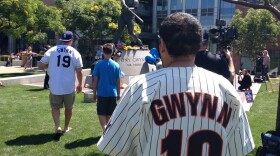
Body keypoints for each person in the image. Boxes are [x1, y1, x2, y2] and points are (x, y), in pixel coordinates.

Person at [97, 12, 254, 156]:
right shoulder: (226, 89)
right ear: (199, 45)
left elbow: (113, 147)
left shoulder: (141, 86)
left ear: (162, 45)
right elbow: (239, 150)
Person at [38, 31, 83, 137]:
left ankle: (57, 126)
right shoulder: (75, 52)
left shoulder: (52, 50)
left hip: (55, 85)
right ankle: (66, 127)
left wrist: (50, 65)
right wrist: (80, 84)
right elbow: (79, 70)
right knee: (69, 107)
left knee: (55, 107)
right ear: (71, 41)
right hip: (69, 86)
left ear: (61, 40)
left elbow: (42, 64)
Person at [92, 43, 122, 131]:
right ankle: (108, 130)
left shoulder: (98, 64)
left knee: (101, 112)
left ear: (103, 51)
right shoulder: (116, 65)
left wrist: (94, 93)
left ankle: (104, 128)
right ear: (112, 52)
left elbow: (95, 79)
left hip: (102, 93)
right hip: (112, 93)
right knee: (110, 113)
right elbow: (118, 81)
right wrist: (119, 93)